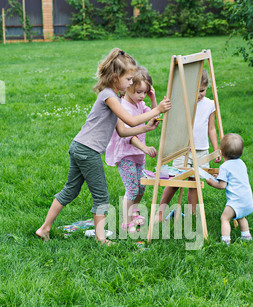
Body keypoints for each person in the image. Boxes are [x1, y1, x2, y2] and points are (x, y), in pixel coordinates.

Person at [35, 49, 171, 244]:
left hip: (79, 147)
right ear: (116, 78)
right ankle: (101, 239)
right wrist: (157, 110)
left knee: (70, 190)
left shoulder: (111, 96)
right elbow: (130, 120)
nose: (131, 83)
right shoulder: (110, 97)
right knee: (101, 196)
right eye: (129, 79)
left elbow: (123, 131)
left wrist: (147, 128)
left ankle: (44, 228)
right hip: (87, 151)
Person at [155, 69, 219, 222]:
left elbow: (211, 128)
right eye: (195, 91)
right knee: (175, 180)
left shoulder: (210, 104)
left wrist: (216, 149)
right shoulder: (183, 102)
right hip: (183, 149)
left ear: (207, 88)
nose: (198, 95)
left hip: (202, 151)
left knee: (194, 183)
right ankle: (160, 212)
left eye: (202, 91)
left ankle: (192, 214)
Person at [106, 66, 158, 233]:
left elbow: (153, 116)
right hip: (126, 154)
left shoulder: (140, 103)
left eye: (145, 92)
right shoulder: (124, 107)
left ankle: (134, 212)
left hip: (137, 155)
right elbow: (128, 136)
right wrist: (145, 148)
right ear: (127, 88)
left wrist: (153, 99)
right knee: (132, 188)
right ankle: (126, 222)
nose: (141, 96)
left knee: (141, 186)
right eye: (138, 92)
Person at [206, 133, 253, 245]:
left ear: (221, 152)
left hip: (235, 201)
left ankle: (225, 242)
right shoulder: (242, 163)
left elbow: (222, 186)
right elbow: (234, 176)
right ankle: (246, 236)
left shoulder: (224, 167)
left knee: (224, 218)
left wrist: (212, 182)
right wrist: (220, 177)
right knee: (241, 216)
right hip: (247, 200)